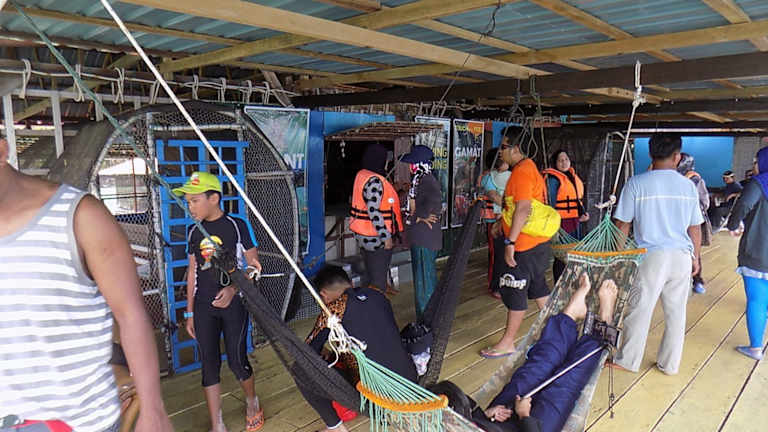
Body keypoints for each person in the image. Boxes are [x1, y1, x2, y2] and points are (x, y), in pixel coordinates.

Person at [0, 139, 172, 432]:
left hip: (82, 421)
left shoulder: (81, 216)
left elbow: (130, 315)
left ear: (2, 150)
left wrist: (152, 409)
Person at [609, 133, 703, 375]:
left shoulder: (636, 183)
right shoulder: (688, 186)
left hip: (651, 256)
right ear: (677, 156)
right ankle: (669, 365)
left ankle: (628, 361)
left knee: (639, 310)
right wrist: (696, 257)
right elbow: (695, 227)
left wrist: (618, 257)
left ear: (651, 154)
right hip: (682, 256)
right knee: (676, 313)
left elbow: (622, 224)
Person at [176, 172, 263, 432]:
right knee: (209, 364)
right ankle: (217, 423)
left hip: (234, 305)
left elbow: (254, 267)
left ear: (214, 198)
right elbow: (193, 272)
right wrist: (189, 313)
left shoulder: (237, 225)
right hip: (203, 307)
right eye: (188, 202)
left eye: (194, 201)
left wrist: (233, 289)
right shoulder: (193, 231)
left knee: (237, 360)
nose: (190, 207)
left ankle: (252, 402)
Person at [300, 265, 417, 432]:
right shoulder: (378, 295)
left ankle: (335, 428)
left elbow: (305, 352)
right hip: (411, 384)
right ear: (350, 283)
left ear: (323, 295)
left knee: (301, 369)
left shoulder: (333, 309)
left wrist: (321, 351)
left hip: (378, 396)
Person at [480, 129, 552, 358]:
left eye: (503, 147)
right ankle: (558, 334)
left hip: (524, 244)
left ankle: (508, 342)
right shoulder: (529, 168)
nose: (500, 152)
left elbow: (523, 208)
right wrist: (501, 222)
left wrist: (510, 242)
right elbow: (515, 207)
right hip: (538, 243)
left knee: (514, 288)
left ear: (516, 149)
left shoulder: (521, 173)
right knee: (538, 289)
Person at [727, 148, 768, 361]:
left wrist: (733, 225)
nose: (754, 166)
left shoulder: (759, 184)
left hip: (758, 252)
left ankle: (755, 348)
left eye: (755, 161)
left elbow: (743, 204)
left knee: (757, 300)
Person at [349, 144, 403, 293]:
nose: (387, 163)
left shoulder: (362, 175)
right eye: (385, 160)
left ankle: (368, 299)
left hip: (363, 235)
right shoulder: (375, 181)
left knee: (370, 274)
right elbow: (373, 211)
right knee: (377, 281)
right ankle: (377, 303)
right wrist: (386, 237)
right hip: (375, 238)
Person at [400, 145, 441, 320]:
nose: (410, 166)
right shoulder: (420, 180)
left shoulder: (426, 181)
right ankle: (427, 317)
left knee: (424, 282)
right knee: (423, 279)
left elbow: (434, 204)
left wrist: (417, 216)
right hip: (421, 237)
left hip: (425, 238)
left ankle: (427, 320)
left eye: (413, 163)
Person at [543, 149, 590, 283]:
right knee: (561, 254)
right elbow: (550, 203)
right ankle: (560, 282)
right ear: (555, 163)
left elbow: (576, 200)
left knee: (574, 253)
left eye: (566, 159)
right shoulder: (553, 179)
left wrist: (582, 214)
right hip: (561, 222)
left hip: (574, 221)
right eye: (560, 160)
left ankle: (572, 282)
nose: (564, 162)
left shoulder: (571, 177)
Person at [677, 153, 711, 294]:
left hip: (690, 221)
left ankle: (696, 280)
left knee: (693, 251)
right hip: (682, 220)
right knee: (686, 250)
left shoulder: (695, 180)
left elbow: (704, 203)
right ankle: (688, 280)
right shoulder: (677, 179)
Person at [479, 148, 511, 298]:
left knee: (508, 252)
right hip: (495, 222)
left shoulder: (512, 176)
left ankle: (507, 283)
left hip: (509, 220)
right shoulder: (488, 178)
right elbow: (494, 197)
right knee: (497, 255)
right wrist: (511, 207)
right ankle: (495, 286)